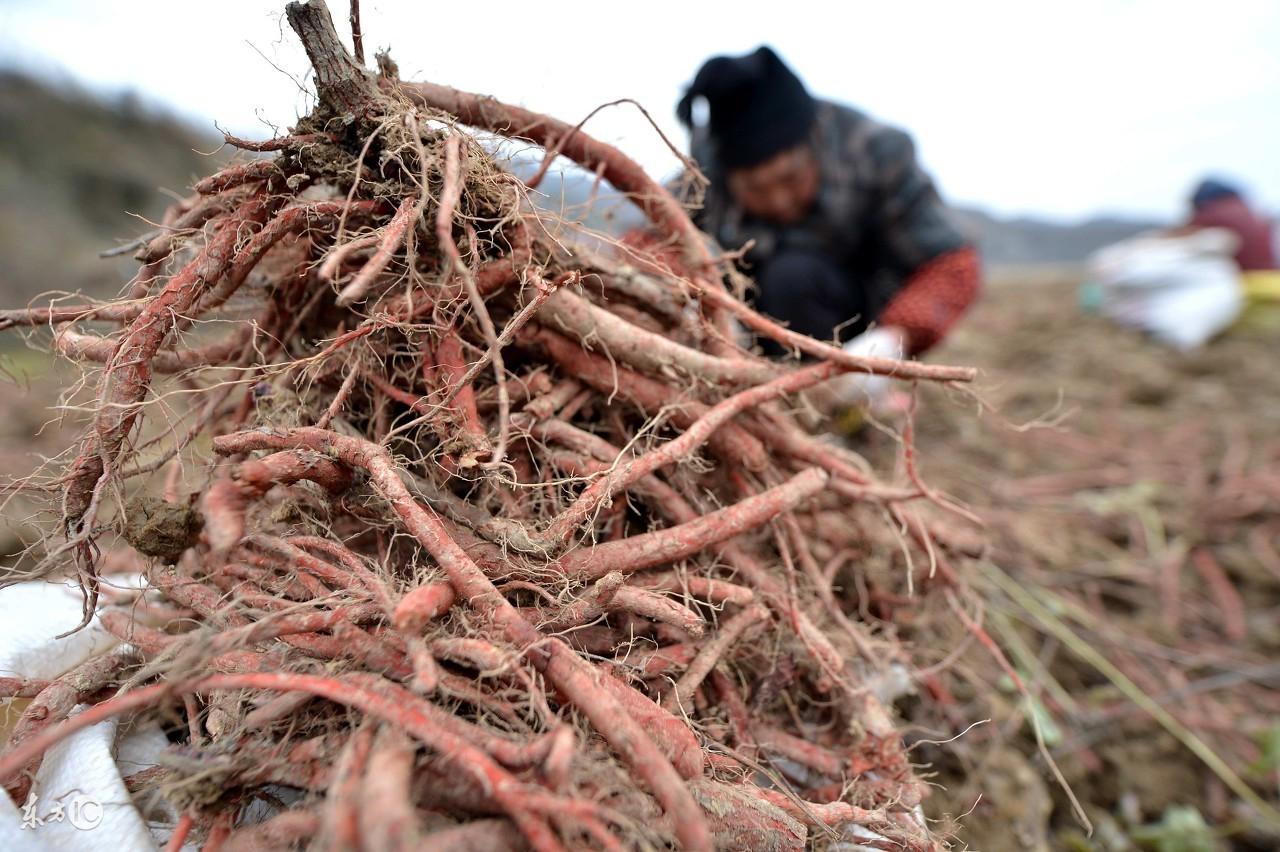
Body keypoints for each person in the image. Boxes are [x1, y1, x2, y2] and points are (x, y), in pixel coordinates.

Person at [673, 46, 980, 405]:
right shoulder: (704, 171)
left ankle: (839, 404)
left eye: (790, 179)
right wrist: (678, 300)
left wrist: (892, 339)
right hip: (736, 336)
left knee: (794, 277)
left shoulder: (876, 153)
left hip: (851, 325)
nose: (779, 201)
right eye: (756, 189)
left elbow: (953, 264)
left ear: (815, 139)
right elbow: (648, 242)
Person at [1187, 178, 1277, 271]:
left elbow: (1185, 232)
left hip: (1250, 278)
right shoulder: (1248, 209)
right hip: (1272, 274)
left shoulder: (1213, 211)